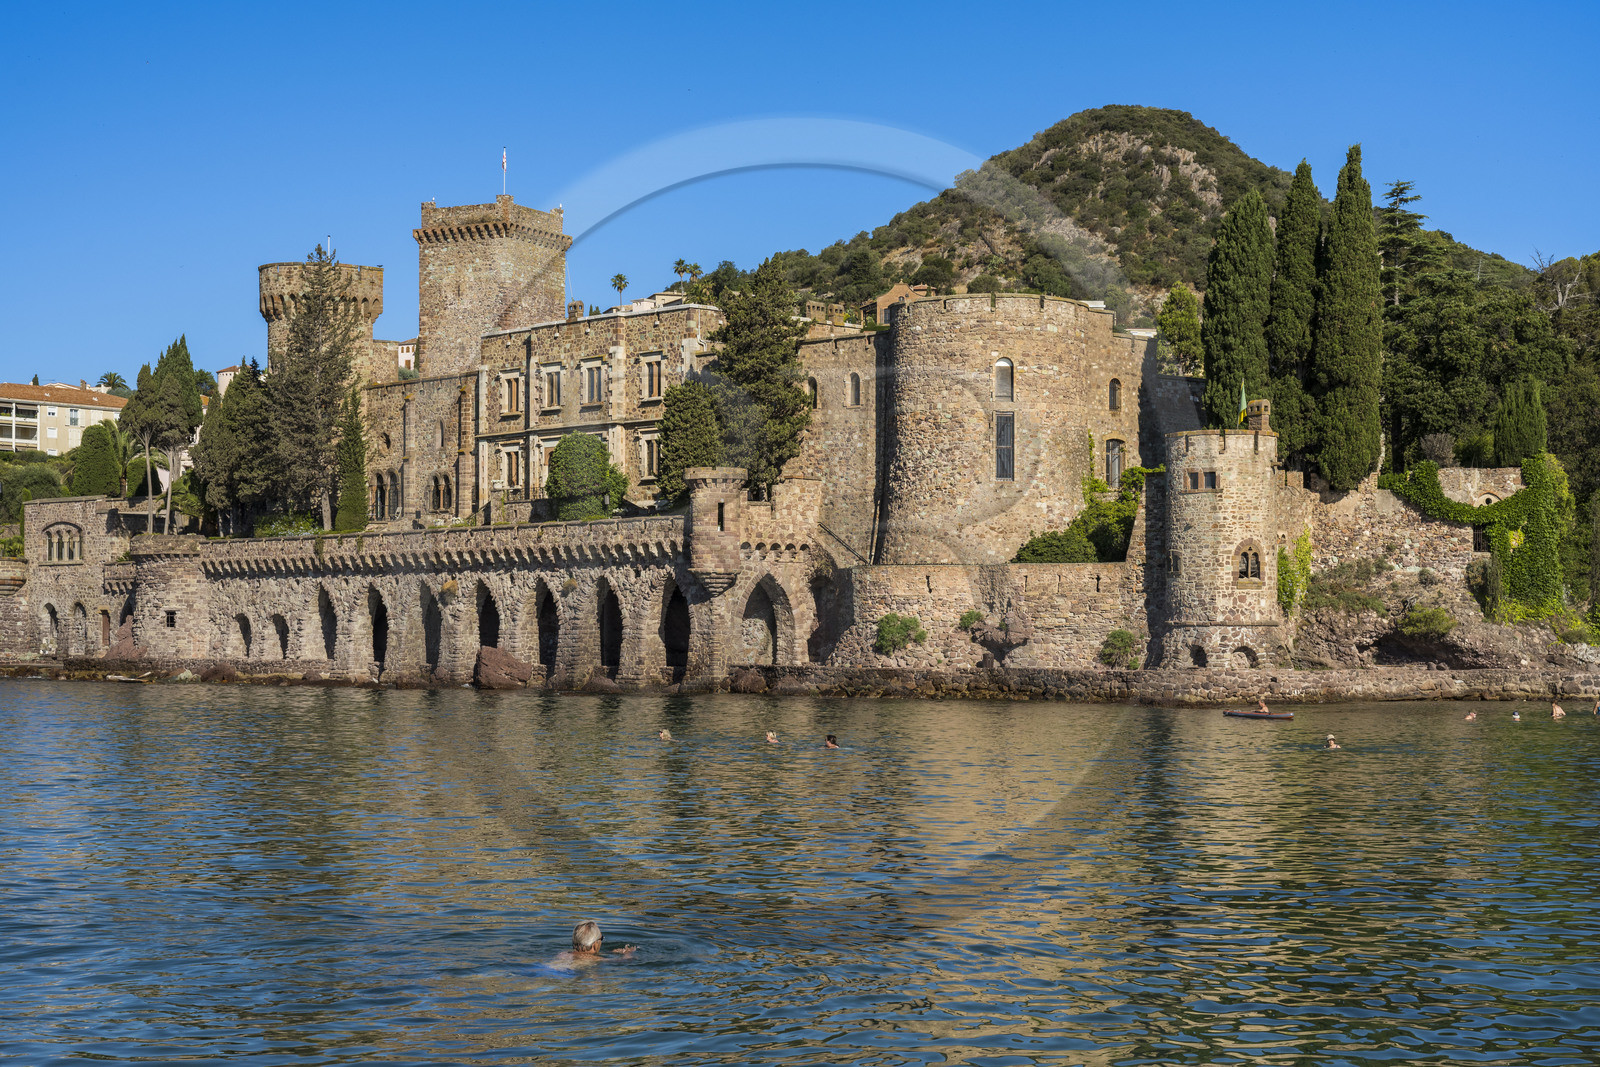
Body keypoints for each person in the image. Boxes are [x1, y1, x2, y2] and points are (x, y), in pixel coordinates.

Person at [547, 921, 636, 971]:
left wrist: (610, 952)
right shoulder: (597, 959)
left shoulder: (563, 954)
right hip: (565, 975)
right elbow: (625, 961)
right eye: (601, 938)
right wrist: (628, 953)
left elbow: (582, 956)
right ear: (595, 944)